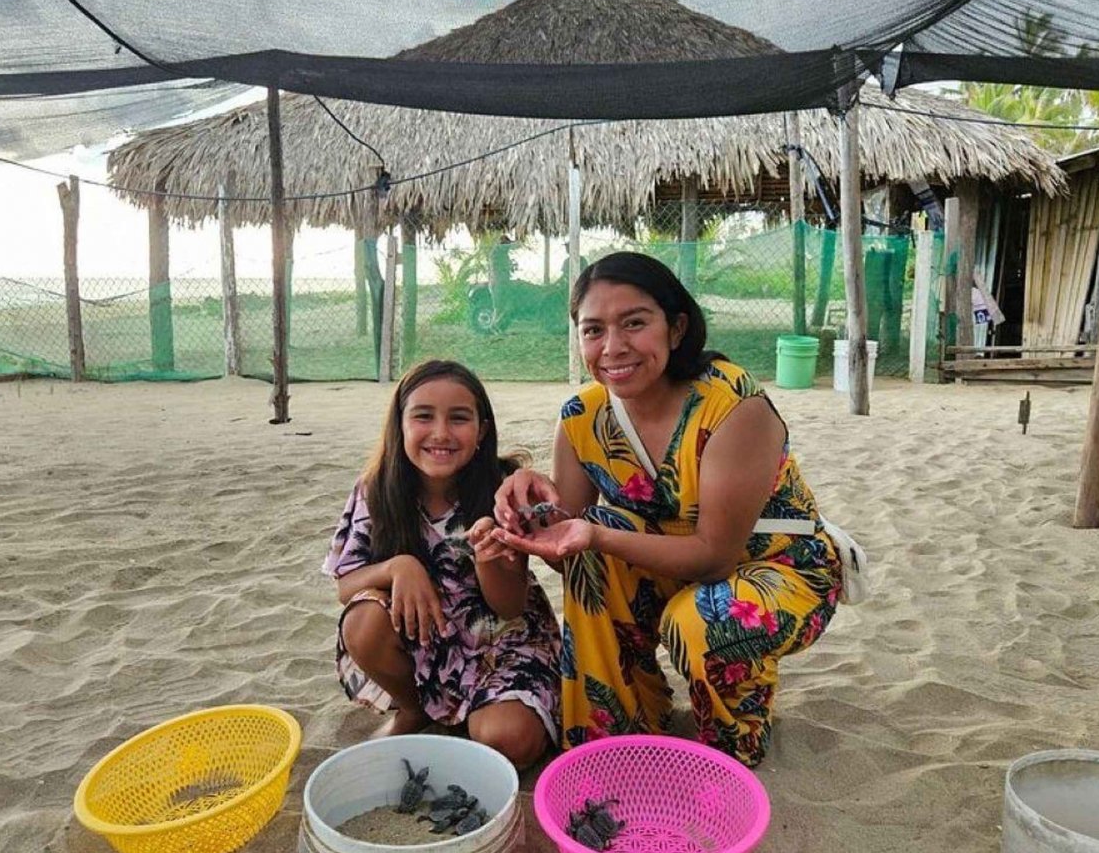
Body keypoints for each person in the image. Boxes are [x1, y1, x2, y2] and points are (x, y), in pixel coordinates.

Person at [492, 252, 845, 768]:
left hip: (779, 568)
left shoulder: (732, 407)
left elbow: (714, 560)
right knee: (596, 541)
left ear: (676, 328)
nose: (613, 347)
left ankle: (733, 744)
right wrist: (527, 502)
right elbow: (570, 550)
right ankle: (621, 726)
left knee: (701, 618)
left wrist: (593, 536)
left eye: (634, 323)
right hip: (671, 564)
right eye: (593, 330)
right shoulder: (582, 418)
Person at [324, 360, 559, 769]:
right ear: (400, 424)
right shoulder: (376, 489)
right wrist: (398, 567)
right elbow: (347, 583)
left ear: (482, 430)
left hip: (504, 643)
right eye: (423, 416)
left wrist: (489, 559)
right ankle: (413, 708)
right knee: (361, 620)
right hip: (429, 640)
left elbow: (509, 608)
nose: (441, 434)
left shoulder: (503, 488)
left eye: (459, 418)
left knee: (507, 741)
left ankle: (482, 716)